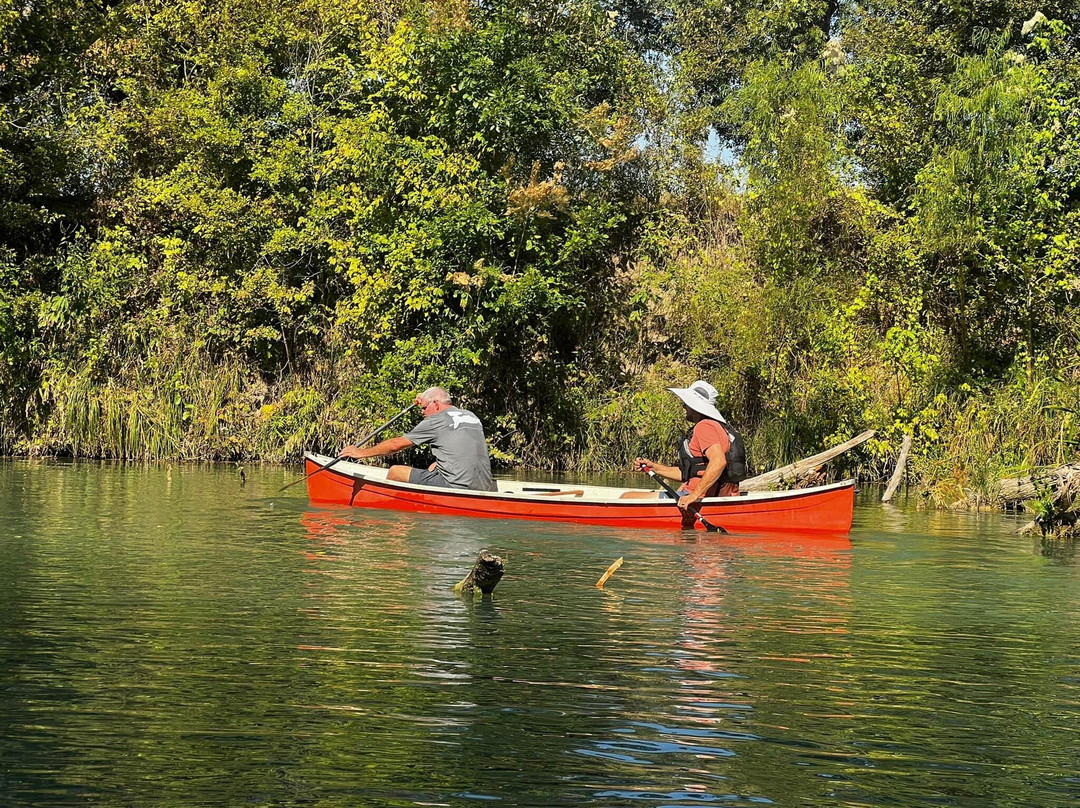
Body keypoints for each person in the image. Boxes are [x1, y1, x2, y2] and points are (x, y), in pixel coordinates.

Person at [339, 387, 497, 492]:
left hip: (456, 485)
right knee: (432, 466)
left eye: (423, 408)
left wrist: (361, 453)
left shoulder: (436, 420)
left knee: (395, 472)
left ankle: (398, 515)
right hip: (483, 485)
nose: (422, 412)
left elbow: (395, 445)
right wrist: (424, 399)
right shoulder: (471, 416)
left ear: (435, 404)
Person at [623, 380, 747, 511]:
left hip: (698, 497)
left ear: (694, 406)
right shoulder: (717, 427)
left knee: (626, 497)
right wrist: (654, 467)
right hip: (712, 494)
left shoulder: (704, 427)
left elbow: (718, 462)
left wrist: (693, 495)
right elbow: (690, 472)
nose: (684, 406)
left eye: (686, 403)